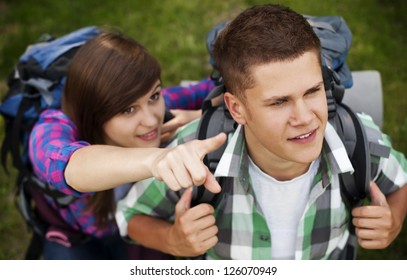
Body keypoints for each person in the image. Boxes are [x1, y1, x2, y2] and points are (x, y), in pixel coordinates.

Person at [116, 3, 407, 260]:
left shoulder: (358, 140)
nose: (305, 118)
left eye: (313, 91)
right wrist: (172, 240)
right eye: (279, 102)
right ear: (236, 108)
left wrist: (394, 219)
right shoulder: (194, 152)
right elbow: (129, 216)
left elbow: (401, 180)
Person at [28, 30, 226, 259]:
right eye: (128, 109)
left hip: (132, 224)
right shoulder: (52, 127)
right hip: (76, 234)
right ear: (94, 112)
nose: (152, 120)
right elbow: (66, 165)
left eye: (154, 96)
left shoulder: (156, 105)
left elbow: (222, 86)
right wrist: (157, 160)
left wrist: (199, 115)